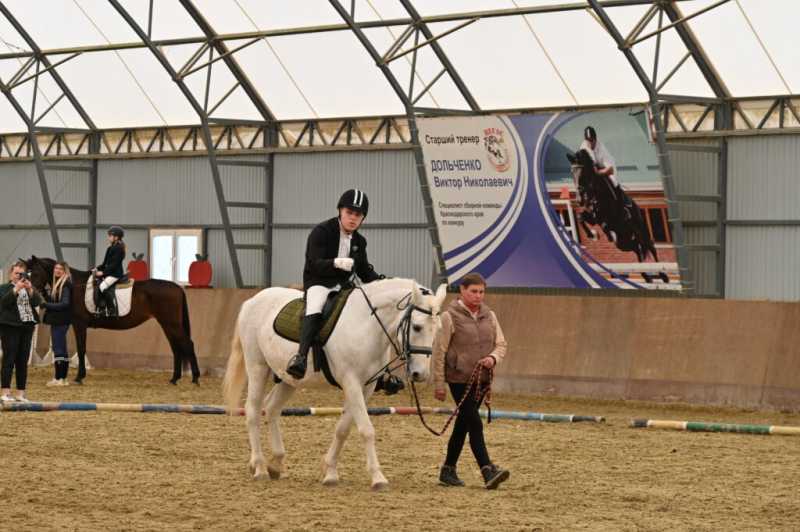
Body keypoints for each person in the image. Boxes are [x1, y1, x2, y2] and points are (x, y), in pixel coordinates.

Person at [285, 189, 383, 380]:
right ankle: (301, 357)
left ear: (362, 218)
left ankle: (375, 368)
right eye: (349, 212)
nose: (353, 218)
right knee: (315, 306)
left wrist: (382, 282)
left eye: (358, 215)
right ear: (340, 211)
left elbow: (364, 271)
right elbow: (314, 262)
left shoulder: (360, 241)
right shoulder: (322, 231)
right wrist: (335, 263)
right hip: (319, 282)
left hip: (343, 286)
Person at [433, 272, 509, 489]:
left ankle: (448, 470)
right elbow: (439, 351)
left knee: (463, 424)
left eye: (481, 292)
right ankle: (487, 469)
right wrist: (439, 383)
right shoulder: (448, 317)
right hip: (459, 379)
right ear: (462, 291)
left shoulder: (490, 315)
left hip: (482, 378)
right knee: (474, 422)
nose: (478, 296)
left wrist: (493, 358)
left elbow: (501, 344)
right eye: (474, 291)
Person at [0, 261, 43, 402]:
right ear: (10, 274)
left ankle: (20, 393)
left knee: (22, 361)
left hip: (27, 326)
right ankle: (5, 392)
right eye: (16, 273)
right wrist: (16, 289)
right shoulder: (4, 288)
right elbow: (4, 303)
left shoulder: (28, 287)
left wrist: (30, 289)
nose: (19, 276)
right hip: (10, 327)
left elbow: (38, 302)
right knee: (9, 359)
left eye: (21, 273)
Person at [580, 126, 632, 223]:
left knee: (614, 182)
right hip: (594, 170)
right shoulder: (583, 147)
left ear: (595, 139)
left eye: (591, 140)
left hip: (606, 168)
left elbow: (610, 170)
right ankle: (586, 207)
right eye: (588, 140)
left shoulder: (602, 149)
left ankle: (623, 209)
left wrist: (598, 172)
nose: (590, 143)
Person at [41, 261, 73, 386]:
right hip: (60, 320)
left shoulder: (65, 284)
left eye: (60, 269)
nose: (57, 271)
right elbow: (55, 301)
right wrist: (45, 294)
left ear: (65, 271)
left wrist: (46, 305)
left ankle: (58, 378)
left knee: (58, 348)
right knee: (62, 349)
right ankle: (63, 378)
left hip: (60, 320)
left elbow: (65, 303)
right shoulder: (58, 284)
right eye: (56, 268)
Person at [94, 225, 126, 317]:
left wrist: (103, 272)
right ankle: (100, 308)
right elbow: (105, 263)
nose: (109, 237)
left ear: (116, 237)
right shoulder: (110, 248)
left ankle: (111, 309)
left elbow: (114, 265)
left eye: (110, 235)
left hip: (115, 274)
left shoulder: (119, 248)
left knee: (102, 287)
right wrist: (96, 269)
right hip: (110, 273)